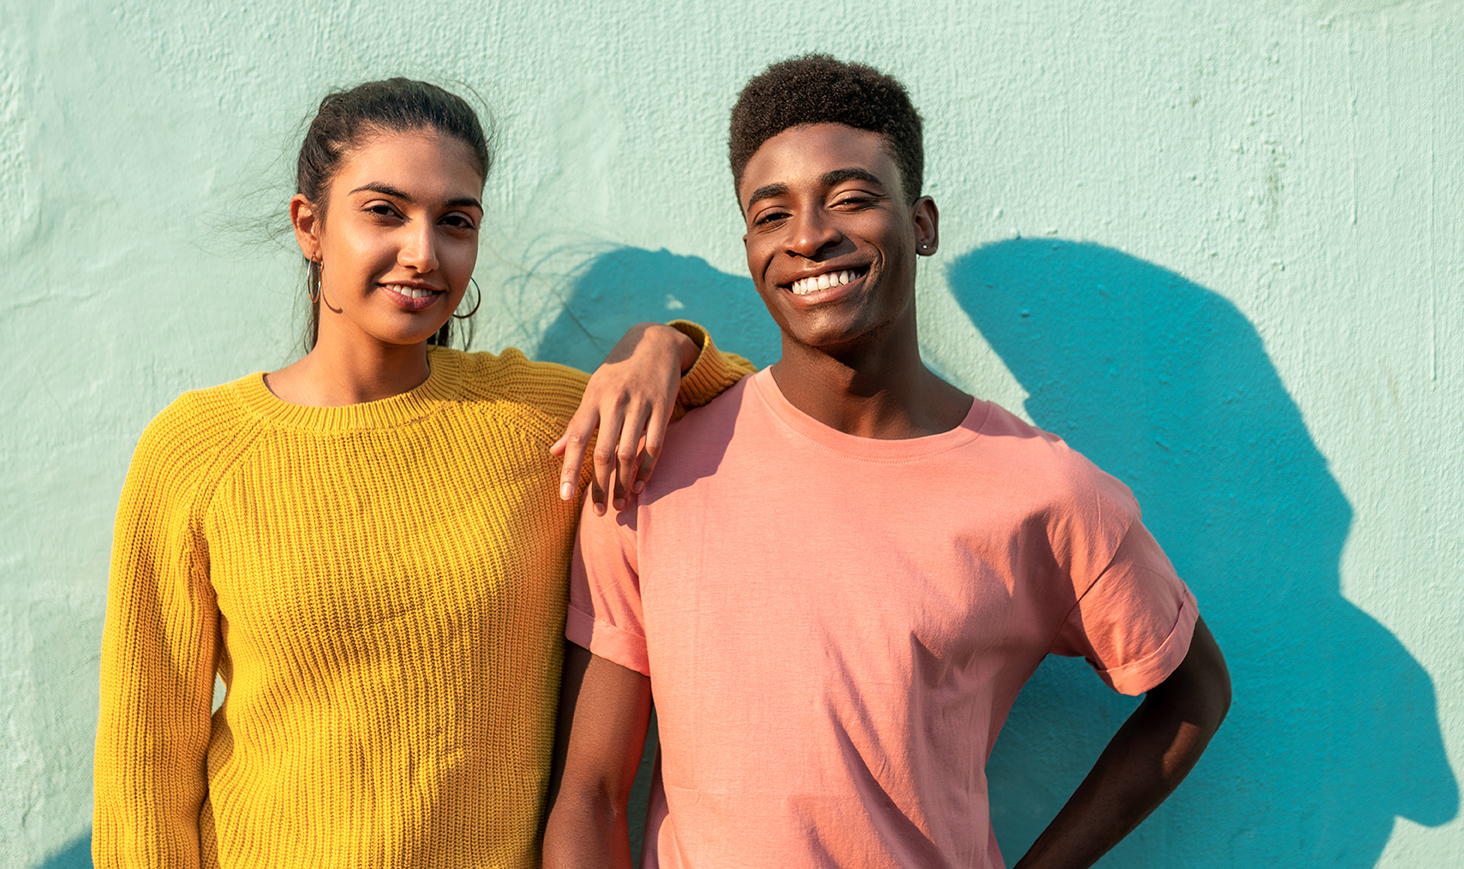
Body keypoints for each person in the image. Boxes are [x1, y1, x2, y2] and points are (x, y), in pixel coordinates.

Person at [545, 55, 1232, 869]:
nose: (809, 235)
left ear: (924, 223)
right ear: (750, 247)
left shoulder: (1047, 492)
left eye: (851, 198)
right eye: (773, 214)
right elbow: (588, 794)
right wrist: (658, 343)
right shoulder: (651, 471)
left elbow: (1194, 692)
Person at [92, 78, 750, 869]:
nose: (423, 252)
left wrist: (666, 347)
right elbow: (145, 769)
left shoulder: (533, 416)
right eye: (384, 211)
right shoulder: (198, 448)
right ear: (310, 225)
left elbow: (756, 416)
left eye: (455, 222)